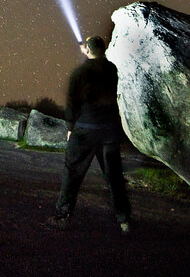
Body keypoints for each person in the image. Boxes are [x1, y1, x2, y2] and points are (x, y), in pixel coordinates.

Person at [48, 34, 132, 234]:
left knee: (72, 172)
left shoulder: (80, 72)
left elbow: (72, 102)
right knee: (114, 177)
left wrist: (70, 127)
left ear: (87, 50)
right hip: (109, 131)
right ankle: (124, 220)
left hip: (85, 129)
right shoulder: (112, 70)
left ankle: (63, 215)